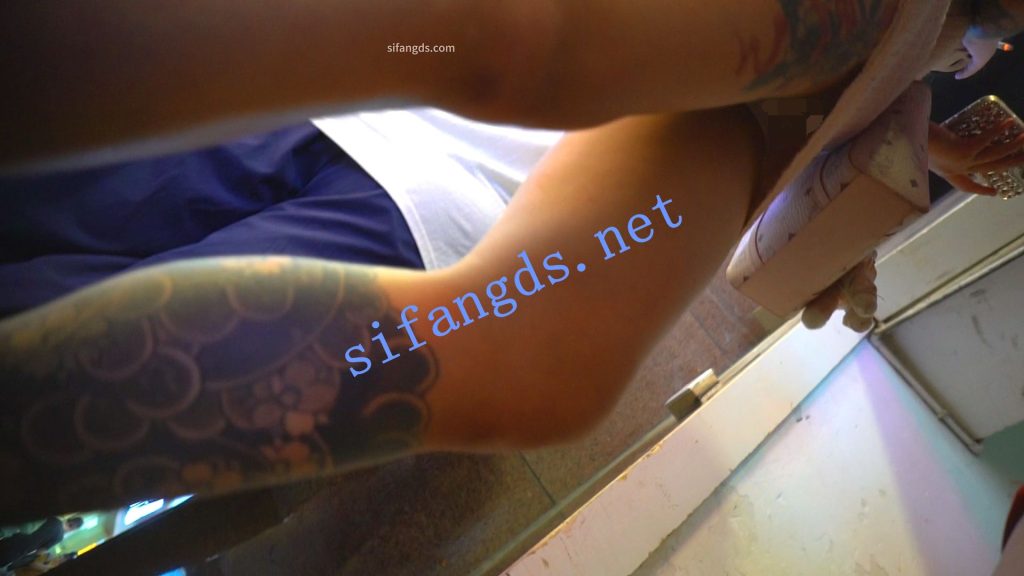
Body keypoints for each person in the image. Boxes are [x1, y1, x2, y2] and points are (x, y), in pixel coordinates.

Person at [1, 0, 1023, 523]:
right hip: (384, 143)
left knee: (533, 367)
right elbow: (516, 43)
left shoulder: (910, 47)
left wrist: (888, 152)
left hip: (416, 184)